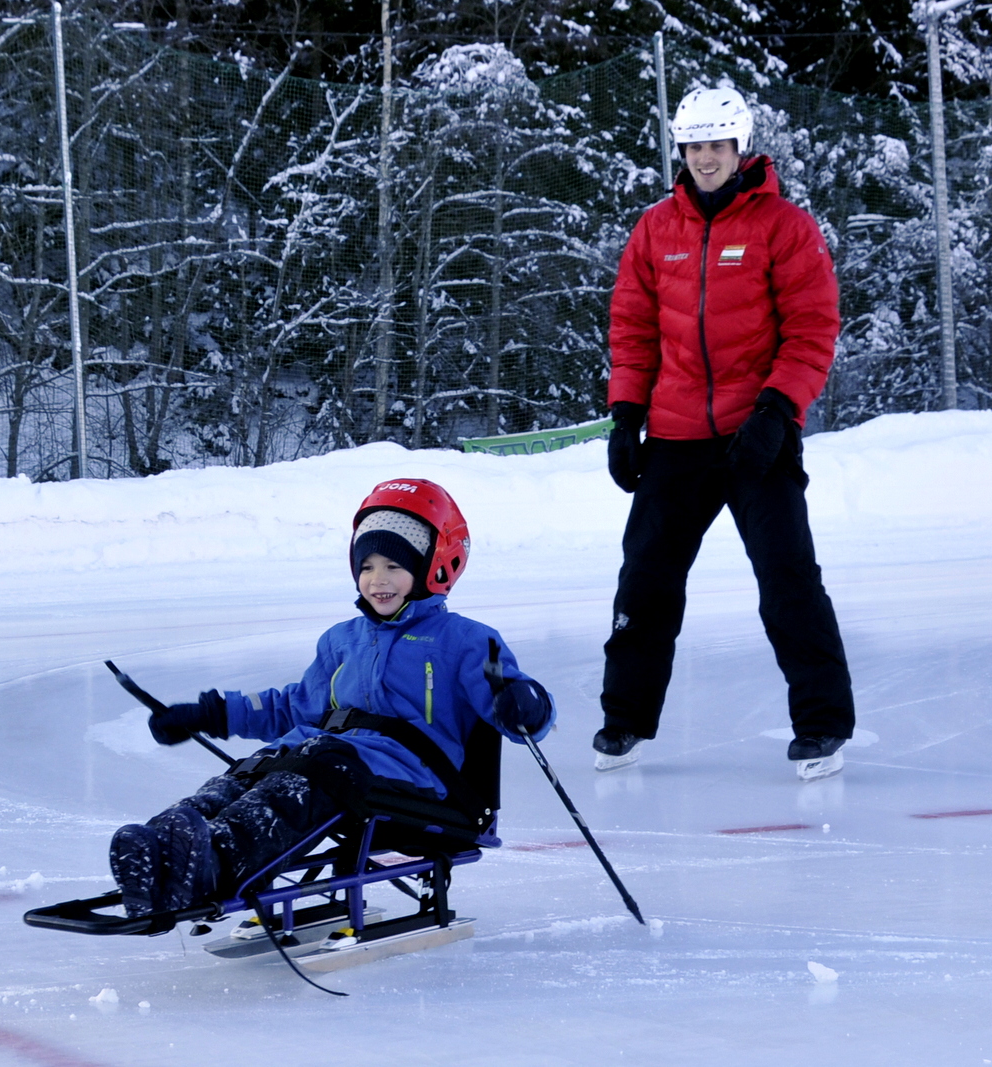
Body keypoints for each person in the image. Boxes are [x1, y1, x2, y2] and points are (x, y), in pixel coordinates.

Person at [107, 478, 555, 917]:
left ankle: (217, 861)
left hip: (416, 777)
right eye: (367, 566)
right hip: (335, 758)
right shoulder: (342, 640)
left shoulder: (466, 640)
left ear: (434, 567)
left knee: (314, 769)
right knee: (262, 765)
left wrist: (522, 703)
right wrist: (208, 715)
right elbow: (293, 705)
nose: (378, 579)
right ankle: (161, 852)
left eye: (394, 566)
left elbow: (526, 713)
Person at [598, 86, 854, 781]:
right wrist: (627, 414)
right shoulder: (656, 230)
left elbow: (811, 329)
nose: (705, 158)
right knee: (646, 578)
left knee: (787, 577)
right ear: (680, 151)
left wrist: (777, 412)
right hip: (677, 434)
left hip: (757, 434)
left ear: (740, 148)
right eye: (694, 146)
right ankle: (624, 720)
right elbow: (633, 329)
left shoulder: (784, 227)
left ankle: (824, 724)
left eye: (717, 145)